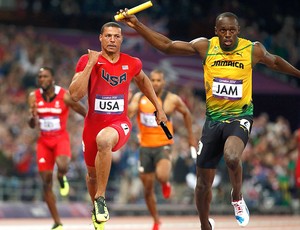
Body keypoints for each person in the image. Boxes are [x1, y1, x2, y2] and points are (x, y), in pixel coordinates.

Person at [118, 10, 300, 230]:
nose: (227, 35)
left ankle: (237, 197)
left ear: (238, 31)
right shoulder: (206, 46)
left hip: (239, 116)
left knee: (232, 157)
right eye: (223, 30)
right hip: (212, 121)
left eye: (232, 30)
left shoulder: (252, 49)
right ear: (216, 31)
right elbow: (166, 45)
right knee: (203, 185)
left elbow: (276, 62)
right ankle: (205, 225)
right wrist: (136, 25)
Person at [68, 22, 168, 230]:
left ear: (122, 39)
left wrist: (158, 107)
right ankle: (97, 208)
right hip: (92, 125)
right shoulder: (87, 60)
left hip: (118, 123)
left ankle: (101, 198)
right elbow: (75, 95)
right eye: (108, 36)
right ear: (101, 38)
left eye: (116, 36)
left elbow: (143, 81)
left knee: (104, 140)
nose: (112, 40)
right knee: (92, 175)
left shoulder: (132, 62)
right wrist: (90, 65)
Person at [128, 69, 197, 230]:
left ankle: (165, 183)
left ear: (164, 82)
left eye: (158, 80)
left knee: (162, 174)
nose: (155, 83)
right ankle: (156, 220)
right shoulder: (139, 98)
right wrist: (125, 100)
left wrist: (191, 137)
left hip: (163, 145)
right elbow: (129, 113)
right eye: (152, 80)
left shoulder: (171, 99)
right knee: (147, 189)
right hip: (145, 147)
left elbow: (186, 114)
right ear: (148, 81)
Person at [28, 67, 87, 230]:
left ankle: (62, 178)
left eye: (45, 76)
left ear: (52, 78)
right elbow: (32, 124)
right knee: (46, 183)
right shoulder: (33, 96)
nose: (42, 79)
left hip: (60, 139)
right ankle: (57, 222)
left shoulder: (64, 96)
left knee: (62, 166)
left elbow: (83, 111)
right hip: (44, 142)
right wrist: (32, 118)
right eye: (39, 76)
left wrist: (93, 125)